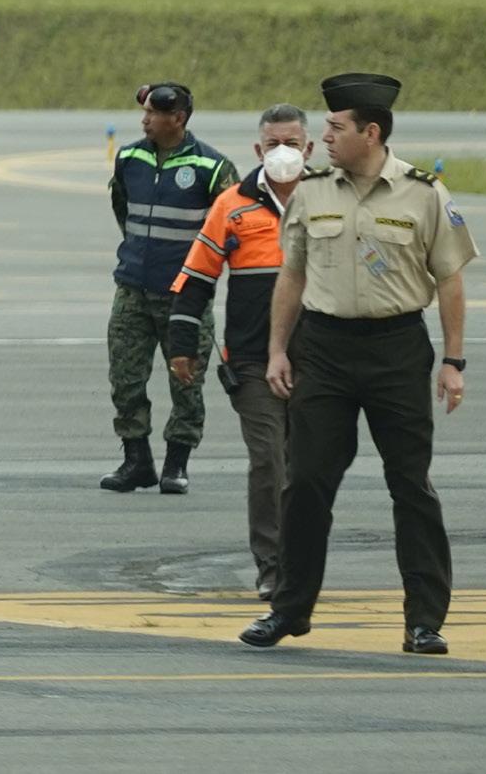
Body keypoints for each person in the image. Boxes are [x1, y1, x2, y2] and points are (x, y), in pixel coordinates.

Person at [242, 73, 476, 656]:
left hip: (397, 349)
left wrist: (453, 361)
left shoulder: (424, 193)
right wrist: (277, 349)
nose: (322, 138)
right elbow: (292, 275)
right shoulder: (312, 191)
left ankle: (424, 621)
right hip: (323, 349)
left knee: (410, 485)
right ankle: (288, 610)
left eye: (335, 128)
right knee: (305, 482)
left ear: (370, 133)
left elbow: (450, 280)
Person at [168, 104, 314, 601]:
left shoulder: (331, 199)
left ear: (309, 148)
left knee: (307, 468)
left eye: (291, 143)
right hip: (253, 360)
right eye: (273, 144)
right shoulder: (232, 205)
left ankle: (304, 561)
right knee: (268, 461)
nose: (283, 152)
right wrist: (182, 345)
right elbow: (196, 277)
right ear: (257, 149)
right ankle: (273, 566)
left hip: (320, 359)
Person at [102, 82, 235, 493]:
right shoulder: (129, 158)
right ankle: (136, 460)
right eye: (143, 114)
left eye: (152, 115)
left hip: (185, 297)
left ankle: (177, 464)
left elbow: (229, 225)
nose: (144, 121)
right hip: (133, 290)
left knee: (187, 383)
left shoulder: (212, 167)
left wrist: (195, 274)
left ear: (177, 119)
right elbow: (122, 209)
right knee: (125, 379)